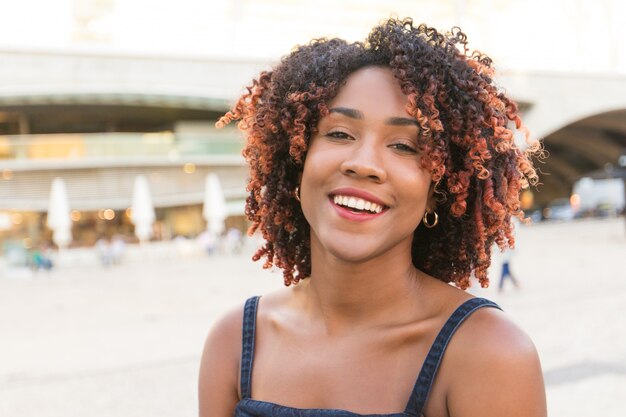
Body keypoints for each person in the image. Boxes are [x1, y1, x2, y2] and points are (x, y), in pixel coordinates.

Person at [199, 18, 546, 417]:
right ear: (297, 161)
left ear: (438, 192)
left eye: (403, 145)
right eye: (340, 134)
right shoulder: (235, 343)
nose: (365, 165)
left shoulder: (490, 353)